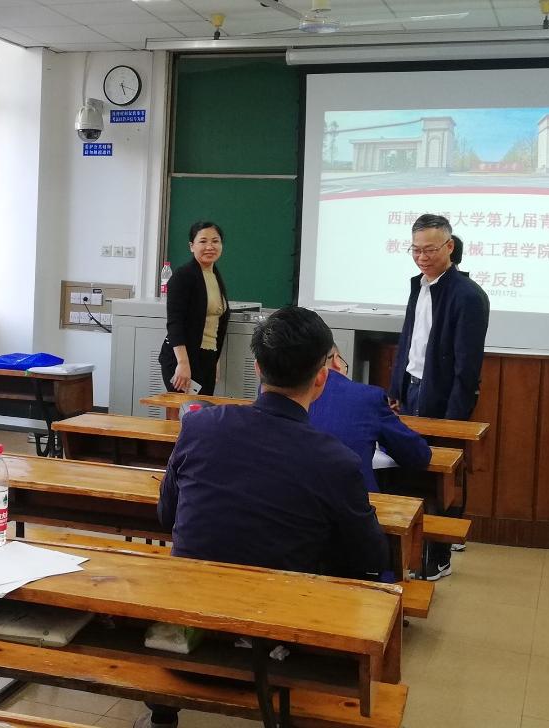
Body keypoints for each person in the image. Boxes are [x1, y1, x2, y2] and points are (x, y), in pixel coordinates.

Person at [143, 307, 388, 728]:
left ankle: (163, 714)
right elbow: (370, 560)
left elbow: (166, 516)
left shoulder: (201, 427)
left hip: (184, 632)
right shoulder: (335, 461)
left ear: (257, 368)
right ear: (322, 377)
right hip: (278, 646)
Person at [387, 214, 488, 581]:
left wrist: (453, 418)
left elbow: (467, 366)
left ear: (449, 246)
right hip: (412, 388)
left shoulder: (467, 295)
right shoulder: (420, 285)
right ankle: (418, 546)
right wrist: (395, 389)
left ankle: (440, 554)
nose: (422, 257)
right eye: (416, 250)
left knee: (441, 472)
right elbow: (408, 341)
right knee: (413, 471)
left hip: (443, 398)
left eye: (429, 250)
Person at [309, 346, 431, 494]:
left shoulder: (288, 398)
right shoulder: (365, 397)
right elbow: (418, 455)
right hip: (355, 503)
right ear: (336, 361)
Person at [158, 221, 230, 396]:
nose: (210, 246)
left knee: (203, 410)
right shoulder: (183, 276)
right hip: (183, 359)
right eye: (203, 241)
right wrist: (183, 363)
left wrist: (215, 361)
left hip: (206, 358)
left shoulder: (214, 275)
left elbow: (215, 323)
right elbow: (175, 323)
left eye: (215, 241)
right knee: (186, 410)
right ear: (192, 246)